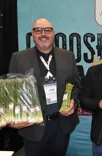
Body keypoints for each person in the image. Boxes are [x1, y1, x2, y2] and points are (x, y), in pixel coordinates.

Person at [8, 18, 82, 156]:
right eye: (38, 30)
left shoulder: (68, 56)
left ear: (53, 33)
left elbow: (76, 86)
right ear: (33, 34)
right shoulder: (19, 58)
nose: (43, 34)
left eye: (47, 30)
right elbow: (12, 92)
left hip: (61, 125)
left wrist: (73, 102)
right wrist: (12, 117)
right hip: (33, 126)